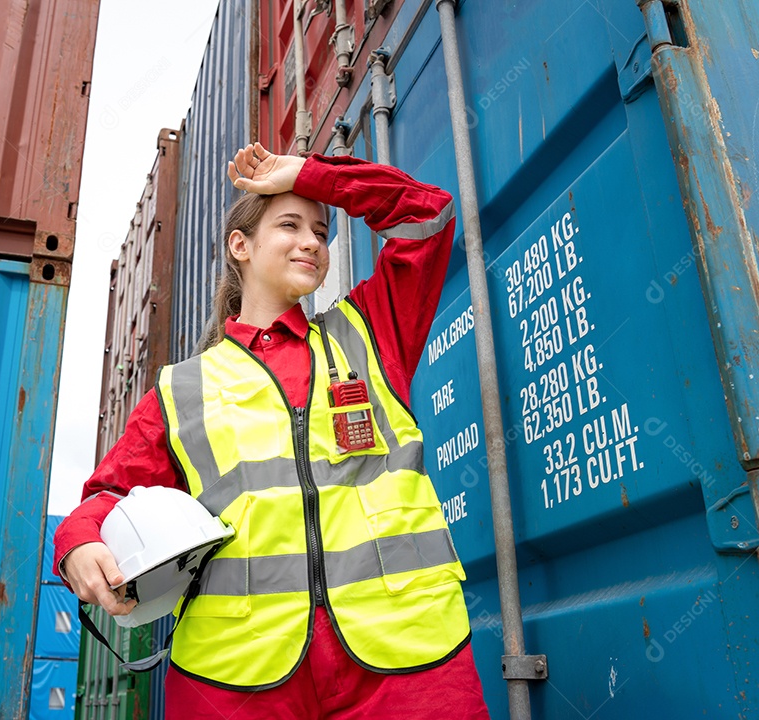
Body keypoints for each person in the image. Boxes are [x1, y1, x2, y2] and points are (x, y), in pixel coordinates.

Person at [55, 142, 490, 719]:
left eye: (321, 229)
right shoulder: (183, 388)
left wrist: (312, 176)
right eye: (290, 224)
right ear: (241, 245)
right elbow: (107, 500)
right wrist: (80, 544)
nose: (313, 241)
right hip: (238, 678)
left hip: (406, 659)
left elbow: (426, 217)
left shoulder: (371, 333)